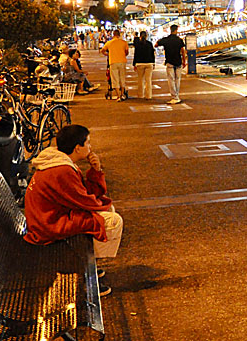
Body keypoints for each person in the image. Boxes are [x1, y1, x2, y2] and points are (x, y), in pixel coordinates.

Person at [23, 124, 123, 296]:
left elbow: (83, 195)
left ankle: (90, 265)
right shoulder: (61, 170)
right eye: (88, 143)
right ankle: (86, 269)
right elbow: (85, 200)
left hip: (47, 218)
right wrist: (102, 205)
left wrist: (96, 171)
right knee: (113, 221)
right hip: (48, 225)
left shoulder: (58, 161)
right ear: (78, 148)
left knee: (107, 212)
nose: (90, 147)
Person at [156, 25, 186, 104]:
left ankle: (174, 96)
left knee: (171, 80)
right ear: (176, 30)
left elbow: (156, 44)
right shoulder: (179, 40)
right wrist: (184, 61)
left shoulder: (166, 39)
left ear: (170, 30)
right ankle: (177, 95)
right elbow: (183, 51)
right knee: (177, 79)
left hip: (169, 61)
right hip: (178, 61)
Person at [100, 29, 129, 101]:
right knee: (122, 78)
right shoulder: (124, 42)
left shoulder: (109, 43)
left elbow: (102, 50)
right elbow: (127, 52)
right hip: (122, 61)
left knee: (115, 79)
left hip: (113, 61)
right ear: (119, 35)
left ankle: (118, 96)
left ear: (113, 35)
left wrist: (107, 54)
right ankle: (122, 94)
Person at [133, 31, 155, 99]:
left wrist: (134, 64)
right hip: (149, 63)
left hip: (139, 63)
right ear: (146, 36)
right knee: (148, 80)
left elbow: (136, 54)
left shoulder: (138, 44)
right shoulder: (149, 44)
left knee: (140, 80)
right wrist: (153, 63)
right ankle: (148, 95)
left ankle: (140, 95)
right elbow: (152, 54)